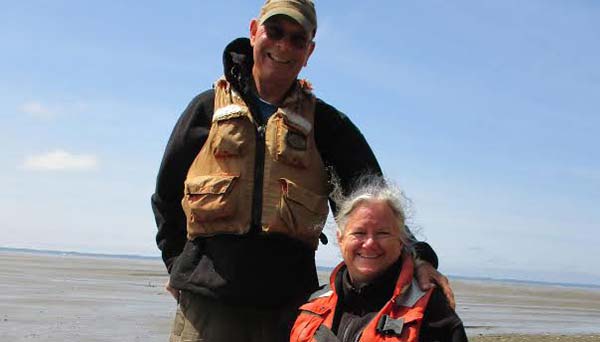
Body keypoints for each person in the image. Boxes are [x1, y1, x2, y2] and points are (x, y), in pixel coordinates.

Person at [151, 1, 451, 341]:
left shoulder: (327, 126)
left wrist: (420, 259)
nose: (283, 46)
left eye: (297, 39)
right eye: (274, 32)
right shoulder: (205, 109)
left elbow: (376, 208)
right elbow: (166, 197)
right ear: (253, 32)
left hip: (290, 311)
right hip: (207, 308)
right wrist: (178, 268)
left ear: (309, 51)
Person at [291, 177, 468, 342]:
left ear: (401, 241)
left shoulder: (434, 313)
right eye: (359, 233)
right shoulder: (313, 303)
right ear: (340, 238)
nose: (369, 243)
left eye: (382, 233)